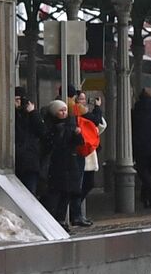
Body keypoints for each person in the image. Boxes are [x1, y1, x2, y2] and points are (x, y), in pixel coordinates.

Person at [42, 99, 84, 229]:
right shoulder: (50, 125)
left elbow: (79, 142)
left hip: (69, 163)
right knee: (55, 193)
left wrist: (77, 134)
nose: (64, 113)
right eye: (61, 110)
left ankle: (61, 219)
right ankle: (54, 219)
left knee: (67, 193)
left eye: (65, 110)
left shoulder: (70, 124)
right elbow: (48, 143)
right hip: (56, 164)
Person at [70, 89, 106, 228]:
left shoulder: (85, 114)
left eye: (85, 99)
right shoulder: (78, 113)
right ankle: (76, 213)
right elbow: (97, 121)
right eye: (81, 99)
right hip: (81, 152)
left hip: (88, 153)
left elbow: (100, 125)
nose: (83, 102)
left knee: (88, 183)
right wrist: (97, 108)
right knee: (79, 185)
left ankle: (76, 212)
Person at [14, 86, 44, 196]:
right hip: (16, 161)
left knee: (29, 194)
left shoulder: (32, 116)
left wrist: (33, 113)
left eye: (18, 100)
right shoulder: (13, 116)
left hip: (30, 162)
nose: (17, 103)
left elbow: (42, 131)